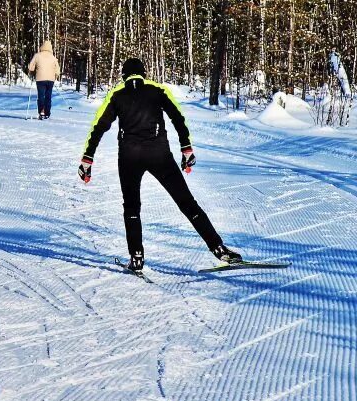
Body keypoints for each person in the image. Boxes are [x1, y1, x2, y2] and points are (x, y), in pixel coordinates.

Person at [77, 57, 242, 272]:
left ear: (124, 75)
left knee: (131, 207)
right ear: (143, 74)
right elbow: (178, 117)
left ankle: (136, 257)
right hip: (159, 155)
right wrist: (186, 148)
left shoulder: (116, 94)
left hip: (129, 158)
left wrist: (87, 159)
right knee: (187, 203)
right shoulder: (157, 89)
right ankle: (219, 249)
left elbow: (98, 127)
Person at [27, 40, 60, 120]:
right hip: (50, 80)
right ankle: (47, 113)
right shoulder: (53, 57)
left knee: (41, 96)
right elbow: (58, 70)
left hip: (40, 79)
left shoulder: (37, 55)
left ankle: (41, 111)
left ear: (42, 46)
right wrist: (55, 76)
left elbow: (30, 67)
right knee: (48, 97)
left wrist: (32, 71)